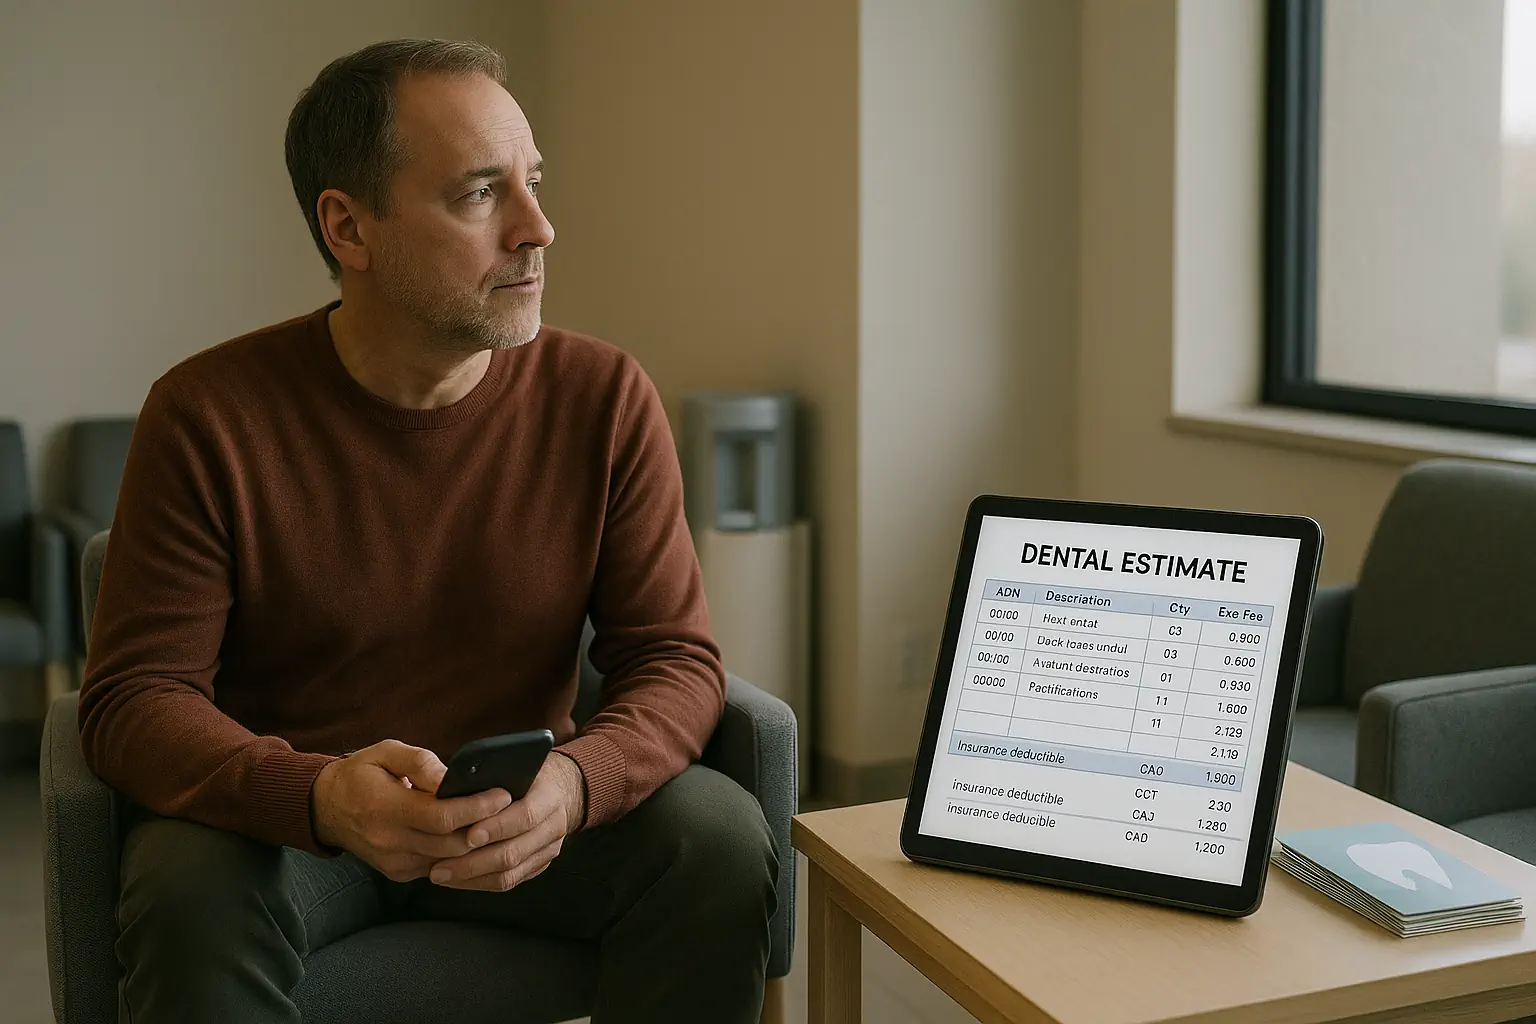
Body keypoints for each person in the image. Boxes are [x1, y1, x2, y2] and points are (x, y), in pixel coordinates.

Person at [77, 37, 776, 1024]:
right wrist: (315, 794)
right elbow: (134, 700)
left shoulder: (603, 396)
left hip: (527, 816)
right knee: (185, 884)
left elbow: (673, 658)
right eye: (481, 194)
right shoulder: (206, 415)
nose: (539, 228)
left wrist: (576, 785)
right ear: (349, 227)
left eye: (532, 183)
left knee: (716, 835)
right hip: (297, 834)